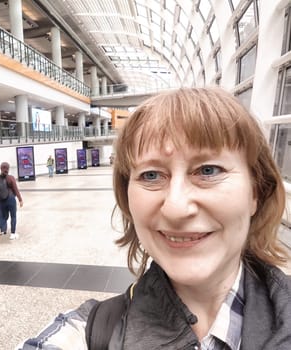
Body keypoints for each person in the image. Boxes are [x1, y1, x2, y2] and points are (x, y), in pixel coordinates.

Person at [17, 87, 291, 349]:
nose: (176, 207)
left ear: (256, 191)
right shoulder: (92, 331)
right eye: (151, 175)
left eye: (208, 170)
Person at [0, 162, 23, 240]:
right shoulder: (10, 178)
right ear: (8, 169)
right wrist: (20, 199)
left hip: (2, 200)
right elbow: (16, 189)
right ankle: (13, 234)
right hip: (11, 199)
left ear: (1, 168)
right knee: (13, 217)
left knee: (4, 217)